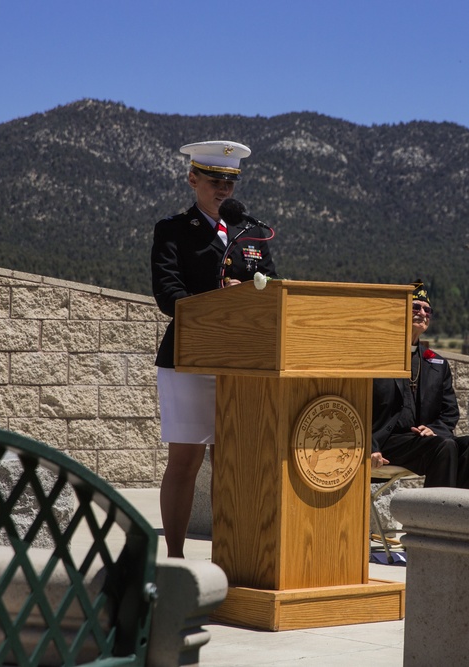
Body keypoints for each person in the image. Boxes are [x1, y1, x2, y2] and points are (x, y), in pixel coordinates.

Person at [151, 140, 277, 557]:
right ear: (193, 179)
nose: (223, 188)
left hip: (243, 362)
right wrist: (222, 298)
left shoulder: (252, 231)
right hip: (190, 359)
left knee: (235, 463)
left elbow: (275, 289)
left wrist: (255, 296)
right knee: (185, 463)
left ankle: (234, 555)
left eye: (230, 180)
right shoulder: (173, 230)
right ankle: (175, 557)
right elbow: (169, 296)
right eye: (214, 179)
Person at [371, 281, 469, 489]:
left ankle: (462, 514)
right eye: (415, 307)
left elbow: (449, 412)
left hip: (424, 442)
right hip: (387, 442)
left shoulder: (436, 364)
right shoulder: (377, 358)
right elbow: (360, 408)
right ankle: (434, 516)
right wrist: (369, 446)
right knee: (445, 445)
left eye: (427, 310)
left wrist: (434, 428)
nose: (422, 313)